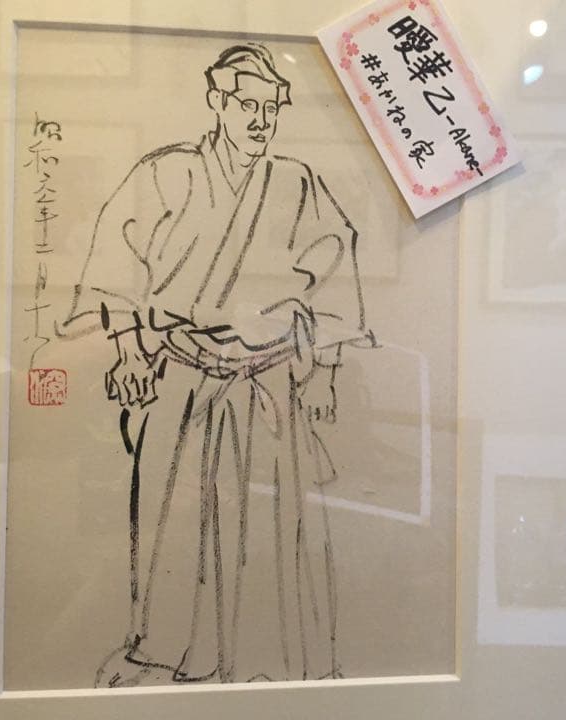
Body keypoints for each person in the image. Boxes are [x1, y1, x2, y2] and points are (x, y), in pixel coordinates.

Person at [62, 43, 373, 686]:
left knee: (268, 519)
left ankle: (265, 658)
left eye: (270, 109)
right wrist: (129, 347)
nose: (260, 121)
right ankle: (171, 647)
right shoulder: (166, 172)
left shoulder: (295, 182)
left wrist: (325, 370)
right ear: (217, 102)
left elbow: (335, 267)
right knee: (173, 515)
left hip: (268, 377)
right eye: (246, 105)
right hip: (184, 372)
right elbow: (116, 265)